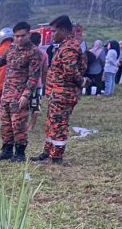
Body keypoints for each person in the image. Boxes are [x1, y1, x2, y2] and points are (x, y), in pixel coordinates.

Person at [0, 21, 44, 162]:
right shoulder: (12, 49)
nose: (19, 39)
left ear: (28, 35)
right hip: (6, 94)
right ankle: (6, 150)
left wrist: (26, 94)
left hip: (20, 95)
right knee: (6, 124)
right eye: (16, 36)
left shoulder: (34, 52)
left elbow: (34, 76)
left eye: (22, 36)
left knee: (18, 125)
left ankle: (19, 153)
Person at [32, 15, 87, 164]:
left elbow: (71, 72)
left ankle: (56, 157)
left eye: (54, 31)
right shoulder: (65, 45)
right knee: (51, 123)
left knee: (59, 125)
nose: (52, 35)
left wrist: (82, 82)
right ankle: (47, 152)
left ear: (63, 30)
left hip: (63, 93)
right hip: (57, 92)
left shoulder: (69, 47)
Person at [28, 31, 49, 133]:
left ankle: (21, 125)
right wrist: (44, 82)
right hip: (37, 84)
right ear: (40, 41)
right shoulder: (43, 53)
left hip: (24, 84)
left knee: (22, 105)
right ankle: (31, 126)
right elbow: (45, 70)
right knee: (35, 106)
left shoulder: (26, 52)